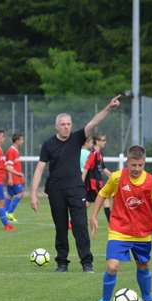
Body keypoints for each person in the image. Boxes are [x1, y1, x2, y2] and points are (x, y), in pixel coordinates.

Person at [30, 95, 121, 273]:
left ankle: (87, 263)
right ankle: (62, 263)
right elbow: (39, 169)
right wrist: (33, 194)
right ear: (57, 126)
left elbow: (94, 122)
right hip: (55, 191)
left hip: (76, 190)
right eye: (63, 124)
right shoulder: (48, 144)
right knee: (61, 227)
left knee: (80, 226)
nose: (66, 127)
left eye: (68, 124)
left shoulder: (77, 138)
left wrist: (108, 107)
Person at [89, 145, 152, 301]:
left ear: (144, 162)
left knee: (143, 265)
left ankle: (147, 298)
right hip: (119, 230)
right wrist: (93, 216)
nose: (136, 169)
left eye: (140, 165)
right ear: (127, 162)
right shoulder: (117, 177)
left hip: (142, 232)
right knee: (112, 266)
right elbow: (102, 194)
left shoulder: (151, 181)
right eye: (133, 165)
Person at [82, 135, 112, 221]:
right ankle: (112, 223)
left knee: (87, 203)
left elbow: (103, 168)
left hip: (96, 183)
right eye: (103, 140)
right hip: (94, 184)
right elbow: (86, 168)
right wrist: (81, 183)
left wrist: (114, 177)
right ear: (97, 141)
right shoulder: (93, 154)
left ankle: (72, 221)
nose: (105, 142)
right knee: (105, 199)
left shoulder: (99, 154)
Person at [4, 133, 25, 224]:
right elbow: (8, 166)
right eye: (21, 140)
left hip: (16, 177)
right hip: (13, 178)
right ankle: (10, 213)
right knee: (20, 194)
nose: (22, 141)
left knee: (9, 195)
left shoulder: (15, 151)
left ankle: (5, 213)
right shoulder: (11, 151)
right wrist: (10, 178)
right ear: (17, 140)